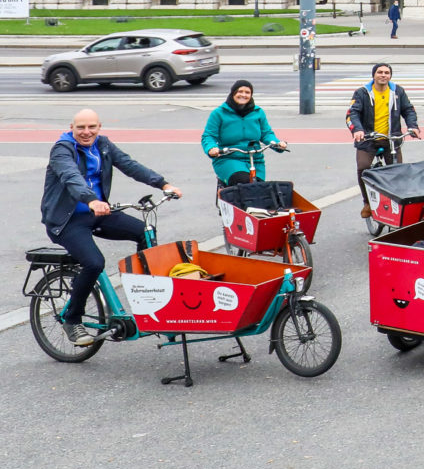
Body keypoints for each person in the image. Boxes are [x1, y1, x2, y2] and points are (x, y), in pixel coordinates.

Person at [39, 110, 183, 345]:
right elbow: (71, 177)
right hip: (67, 220)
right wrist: (91, 200)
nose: (87, 132)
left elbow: (130, 165)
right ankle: (73, 320)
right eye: (81, 127)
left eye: (92, 127)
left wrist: (163, 184)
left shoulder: (102, 144)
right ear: (71, 128)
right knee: (94, 262)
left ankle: (148, 297)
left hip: (98, 213)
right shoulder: (62, 150)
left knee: (144, 232)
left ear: (99, 127)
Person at [347, 63, 421, 217]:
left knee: (398, 172)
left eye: (387, 72)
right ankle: (367, 202)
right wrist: (358, 130)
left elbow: (408, 110)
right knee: (363, 168)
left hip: (391, 139)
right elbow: (352, 114)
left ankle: (399, 204)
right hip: (368, 139)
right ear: (373, 75)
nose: (383, 75)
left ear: (390, 76)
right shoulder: (362, 93)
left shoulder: (397, 92)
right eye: (380, 72)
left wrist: (412, 126)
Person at [201, 79, 286, 185]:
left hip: (255, 159)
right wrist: (211, 148)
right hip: (229, 158)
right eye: (240, 91)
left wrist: (276, 144)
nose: (243, 95)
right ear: (233, 93)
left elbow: (266, 133)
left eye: (247, 92)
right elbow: (208, 136)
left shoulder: (258, 112)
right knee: (242, 180)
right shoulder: (219, 113)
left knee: (260, 188)